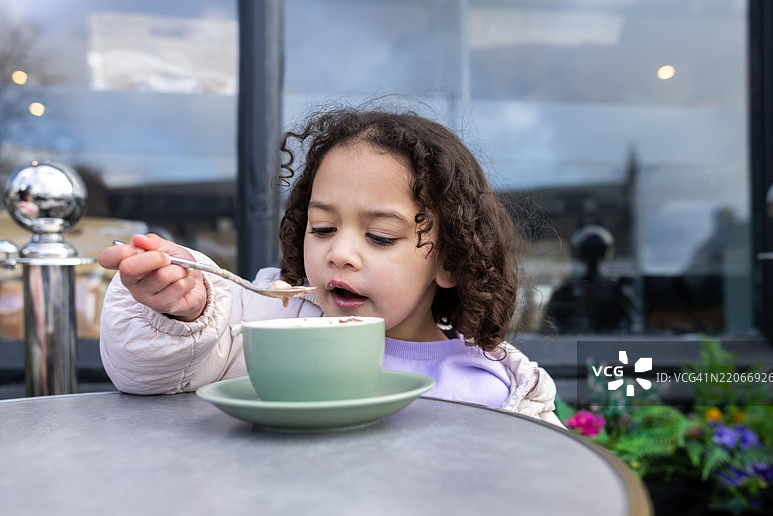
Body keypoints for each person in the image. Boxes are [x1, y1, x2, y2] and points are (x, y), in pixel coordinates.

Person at [98, 106, 563, 426]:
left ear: (451, 263)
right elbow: (149, 372)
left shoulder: (500, 388)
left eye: (380, 236)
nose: (339, 253)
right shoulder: (269, 325)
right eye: (321, 228)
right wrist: (183, 311)